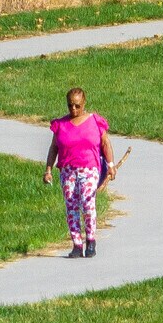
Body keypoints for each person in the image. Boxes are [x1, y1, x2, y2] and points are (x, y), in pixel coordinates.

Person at [43, 86, 115, 258]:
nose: (73, 109)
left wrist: (111, 164)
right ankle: (76, 244)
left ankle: (90, 240)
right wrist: (48, 170)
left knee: (87, 203)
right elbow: (54, 148)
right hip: (68, 171)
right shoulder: (61, 124)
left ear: (84, 103)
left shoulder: (94, 121)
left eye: (77, 105)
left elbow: (105, 143)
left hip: (89, 169)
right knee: (71, 207)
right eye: (70, 106)